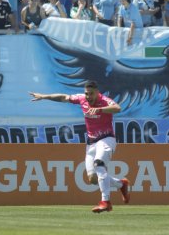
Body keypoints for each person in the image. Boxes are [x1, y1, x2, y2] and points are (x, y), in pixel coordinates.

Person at [29, 80, 130, 213]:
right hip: (91, 143)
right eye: (86, 93)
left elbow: (117, 108)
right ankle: (121, 184)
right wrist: (44, 96)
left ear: (97, 93)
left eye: (91, 94)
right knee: (93, 179)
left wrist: (100, 109)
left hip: (106, 139)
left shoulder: (105, 101)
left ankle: (105, 202)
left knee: (99, 165)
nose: (88, 96)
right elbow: (64, 97)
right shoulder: (82, 99)